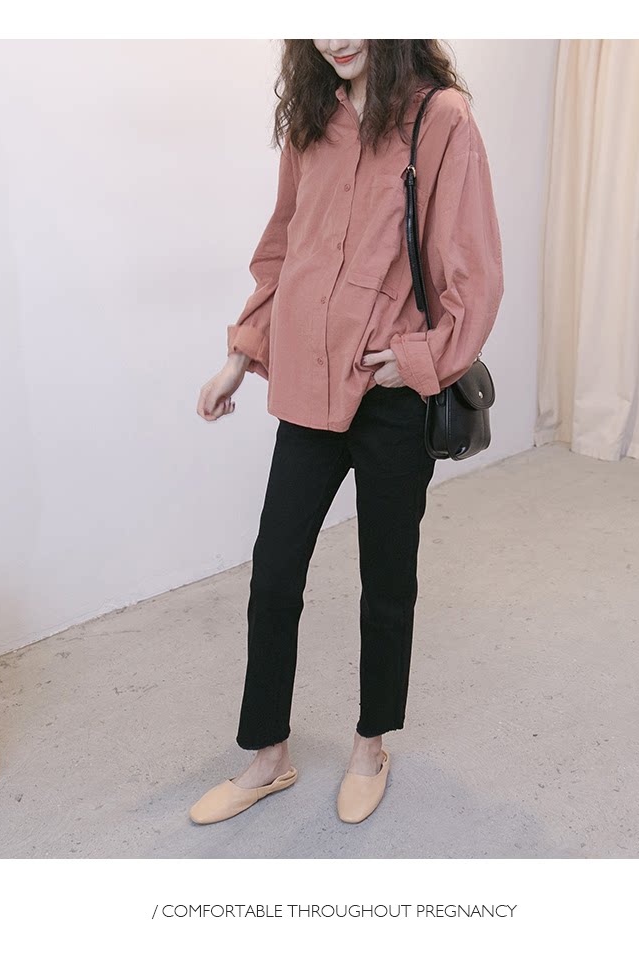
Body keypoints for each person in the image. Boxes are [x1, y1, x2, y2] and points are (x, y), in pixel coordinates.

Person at [190, 39, 504, 826]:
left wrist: (417, 359)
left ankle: (371, 745)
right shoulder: (311, 119)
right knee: (274, 573)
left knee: (386, 578)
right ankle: (269, 755)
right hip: (306, 379)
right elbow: (281, 249)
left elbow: (472, 269)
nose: (336, 35)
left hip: (389, 396)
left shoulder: (441, 119)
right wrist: (240, 355)